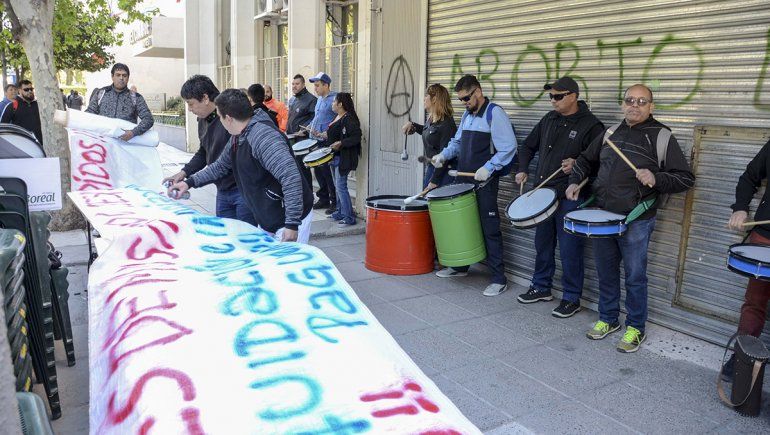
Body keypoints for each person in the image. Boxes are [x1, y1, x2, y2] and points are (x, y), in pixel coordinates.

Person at [565, 84, 695, 353]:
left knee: (635, 276)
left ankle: (636, 326)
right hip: (603, 216)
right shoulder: (610, 133)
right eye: (630, 100)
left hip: (637, 218)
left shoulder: (661, 136)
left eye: (641, 101)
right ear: (623, 104)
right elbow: (585, 161)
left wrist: (655, 178)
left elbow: (685, 178)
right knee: (606, 271)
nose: (635, 105)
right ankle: (608, 318)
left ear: (651, 106)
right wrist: (575, 181)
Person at [168, 89, 314, 243]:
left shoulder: (264, 137)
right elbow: (219, 166)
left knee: (285, 259)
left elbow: (291, 179)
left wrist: (291, 224)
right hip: (270, 216)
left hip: (289, 219)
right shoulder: (238, 136)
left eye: (219, 116)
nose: (219, 121)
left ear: (228, 118)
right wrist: (188, 183)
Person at [515, 77, 605, 318]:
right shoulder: (549, 119)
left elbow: (602, 164)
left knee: (569, 249)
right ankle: (541, 287)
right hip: (543, 194)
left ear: (573, 96)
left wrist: (578, 164)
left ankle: (571, 298)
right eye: (551, 96)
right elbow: (528, 146)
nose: (553, 101)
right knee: (542, 244)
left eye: (558, 96)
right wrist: (522, 168)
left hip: (570, 197)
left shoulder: (592, 126)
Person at [431, 74, 517, 297]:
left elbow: (508, 147)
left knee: (490, 228)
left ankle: (498, 278)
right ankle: (460, 267)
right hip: (464, 180)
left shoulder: (494, 113)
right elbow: (458, 142)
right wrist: (444, 155)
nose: (464, 103)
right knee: (463, 224)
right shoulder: (467, 115)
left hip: (484, 182)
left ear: (478, 91)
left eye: (467, 98)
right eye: (461, 99)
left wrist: (489, 167)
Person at [162, 75, 257, 227]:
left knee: (245, 235)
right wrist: (183, 173)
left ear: (205, 98)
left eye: (191, 104)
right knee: (227, 233)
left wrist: (189, 183)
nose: (189, 109)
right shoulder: (203, 119)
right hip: (222, 190)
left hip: (243, 190)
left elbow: (223, 165)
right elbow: (204, 151)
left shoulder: (231, 120)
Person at [723, 140, 770, 380]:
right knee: (754, 302)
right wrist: (740, 208)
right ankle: (742, 356)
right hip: (765, 237)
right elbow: (749, 177)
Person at [402, 83, 457, 189]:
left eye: (426, 95)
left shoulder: (447, 124)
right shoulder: (432, 118)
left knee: (431, 199)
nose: (424, 98)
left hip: (443, 172)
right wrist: (413, 125)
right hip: (432, 168)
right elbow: (431, 134)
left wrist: (434, 181)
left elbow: (444, 157)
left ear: (434, 99)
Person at [85, 63, 154, 141]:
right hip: (102, 142)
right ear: (112, 76)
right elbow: (89, 114)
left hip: (125, 143)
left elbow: (148, 119)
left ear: (128, 78)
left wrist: (133, 132)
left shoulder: (136, 97)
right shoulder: (101, 93)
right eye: (118, 75)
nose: (121, 78)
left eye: (124, 75)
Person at [327, 92, 362, 227]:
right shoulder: (337, 116)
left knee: (341, 186)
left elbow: (356, 137)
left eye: (334, 101)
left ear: (340, 104)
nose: (332, 104)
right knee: (337, 186)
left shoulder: (349, 119)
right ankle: (340, 212)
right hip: (334, 157)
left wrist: (341, 143)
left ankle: (349, 216)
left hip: (344, 158)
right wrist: (322, 134)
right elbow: (335, 134)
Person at [307, 72, 337, 214]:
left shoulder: (334, 99)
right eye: (315, 86)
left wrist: (327, 132)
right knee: (319, 172)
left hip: (326, 141)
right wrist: (309, 127)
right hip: (315, 140)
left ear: (326, 85)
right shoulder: (319, 99)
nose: (315, 89)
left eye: (318, 85)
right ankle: (323, 198)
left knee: (328, 173)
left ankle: (334, 201)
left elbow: (338, 119)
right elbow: (317, 117)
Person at [286, 74, 317, 186]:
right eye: (293, 84)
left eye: (297, 84)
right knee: (294, 169)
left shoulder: (311, 100)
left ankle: (308, 193)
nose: (294, 86)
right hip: (291, 139)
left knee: (303, 169)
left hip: (303, 140)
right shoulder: (292, 99)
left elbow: (314, 118)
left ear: (303, 85)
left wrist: (304, 129)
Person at [1, 80, 43, 145]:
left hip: (41, 145)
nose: (30, 91)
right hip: (21, 145)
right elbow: (3, 127)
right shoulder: (11, 106)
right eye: (26, 90)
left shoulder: (39, 104)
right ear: (20, 91)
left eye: (31, 89)